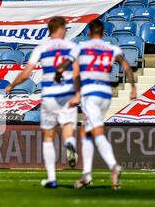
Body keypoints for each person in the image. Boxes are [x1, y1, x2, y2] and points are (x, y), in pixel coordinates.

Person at [55, 19, 137, 190]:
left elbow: (67, 63)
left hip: (90, 93)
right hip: (105, 93)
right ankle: (86, 175)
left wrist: (58, 72)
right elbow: (126, 67)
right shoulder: (111, 48)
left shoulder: (81, 47)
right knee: (87, 132)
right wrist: (133, 87)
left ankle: (113, 166)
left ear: (90, 32)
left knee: (97, 131)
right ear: (103, 33)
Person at [5, 16, 79, 188]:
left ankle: (52, 178)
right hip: (67, 93)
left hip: (50, 94)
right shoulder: (73, 47)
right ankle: (70, 145)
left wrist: (12, 85)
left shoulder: (41, 48)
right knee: (68, 127)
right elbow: (76, 73)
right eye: (65, 28)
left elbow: (26, 73)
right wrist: (78, 94)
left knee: (48, 135)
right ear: (60, 29)